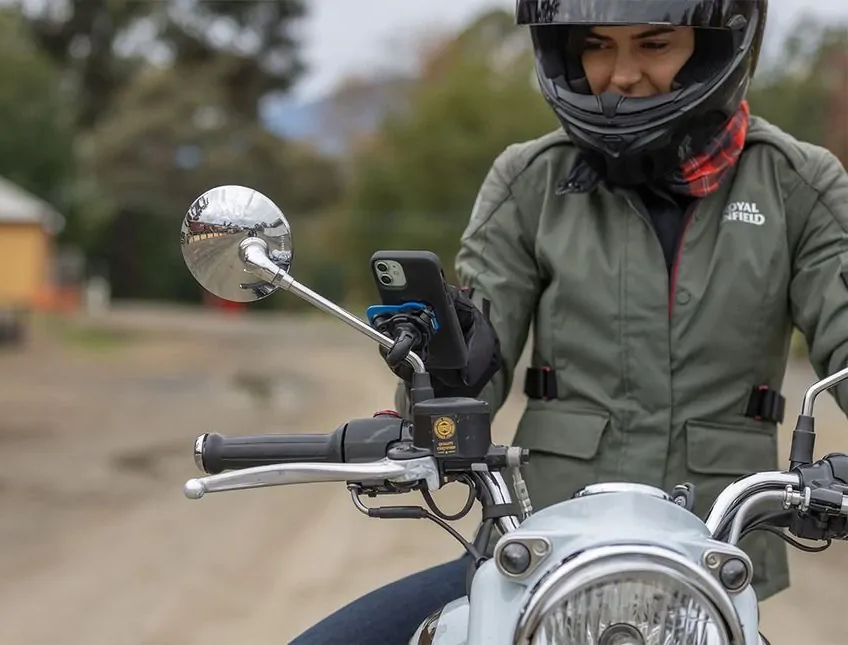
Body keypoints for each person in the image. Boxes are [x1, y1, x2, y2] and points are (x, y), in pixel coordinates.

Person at [291, 0, 848, 643]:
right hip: (540, 550)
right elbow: (478, 353)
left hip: (712, 565)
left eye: (654, 44)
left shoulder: (798, 186)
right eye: (597, 45)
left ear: (720, 44)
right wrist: (444, 364)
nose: (622, 74)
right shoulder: (531, 181)